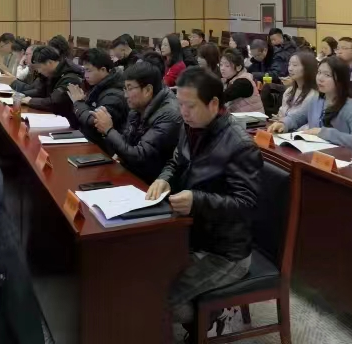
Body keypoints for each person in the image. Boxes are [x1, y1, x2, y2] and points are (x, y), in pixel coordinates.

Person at [148, 67, 260, 332]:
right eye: (180, 104)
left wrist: (197, 201)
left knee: (158, 298)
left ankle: (213, 317)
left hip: (225, 252)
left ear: (213, 104)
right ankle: (205, 317)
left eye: (190, 106)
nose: (183, 112)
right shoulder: (191, 126)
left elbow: (246, 206)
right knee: (144, 277)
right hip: (192, 234)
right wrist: (164, 178)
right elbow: (177, 160)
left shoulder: (240, 145)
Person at [91, 60, 181, 184]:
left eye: (129, 88)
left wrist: (109, 130)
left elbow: (140, 157)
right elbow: (126, 143)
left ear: (148, 90)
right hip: (134, 174)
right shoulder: (138, 107)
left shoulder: (168, 114)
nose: (125, 95)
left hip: (153, 183)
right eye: (125, 88)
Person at [269, 56, 352, 148]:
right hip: (315, 153)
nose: (320, 78)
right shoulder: (316, 100)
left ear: (340, 80)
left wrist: (325, 133)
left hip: (341, 157)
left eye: (327, 75)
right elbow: (298, 117)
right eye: (319, 72)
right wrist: (284, 123)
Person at [67, 48, 129, 149]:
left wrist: (79, 103)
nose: (85, 75)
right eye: (84, 70)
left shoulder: (114, 95)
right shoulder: (96, 86)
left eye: (89, 71)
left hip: (105, 149)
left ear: (103, 70)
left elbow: (95, 122)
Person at [22, 45, 84, 126]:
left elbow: (54, 102)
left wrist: (30, 101)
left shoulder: (70, 77)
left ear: (49, 63)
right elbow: (41, 92)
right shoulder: (51, 73)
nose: (39, 71)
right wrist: (22, 95)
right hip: (54, 117)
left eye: (39, 67)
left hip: (67, 123)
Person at [276, 51, 318, 121]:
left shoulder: (313, 95)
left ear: (307, 68)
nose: (290, 69)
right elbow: (281, 113)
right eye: (289, 64)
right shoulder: (289, 91)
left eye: (295, 65)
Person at [219, 49, 262, 115]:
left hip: (252, 120)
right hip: (241, 118)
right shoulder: (229, 79)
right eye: (221, 65)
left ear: (238, 67)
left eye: (227, 66)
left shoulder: (243, 82)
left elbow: (222, 98)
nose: (222, 68)